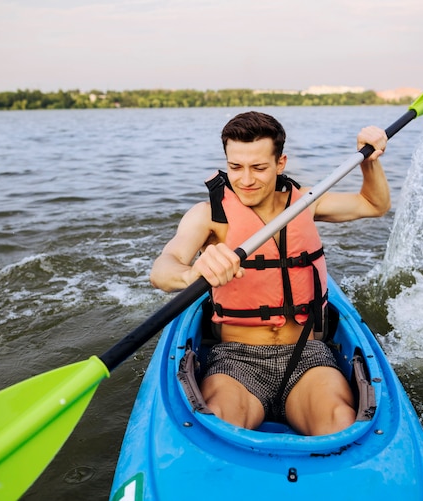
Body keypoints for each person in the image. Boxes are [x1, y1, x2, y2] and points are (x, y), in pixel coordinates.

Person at [150, 111, 389, 436]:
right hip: (237, 360)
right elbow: (163, 268)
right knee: (217, 423)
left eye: (259, 168)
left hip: (307, 354)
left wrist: (369, 161)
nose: (246, 179)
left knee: (341, 423)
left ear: (280, 163)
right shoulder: (209, 215)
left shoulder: (305, 202)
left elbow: (373, 204)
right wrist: (192, 274)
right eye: (236, 167)